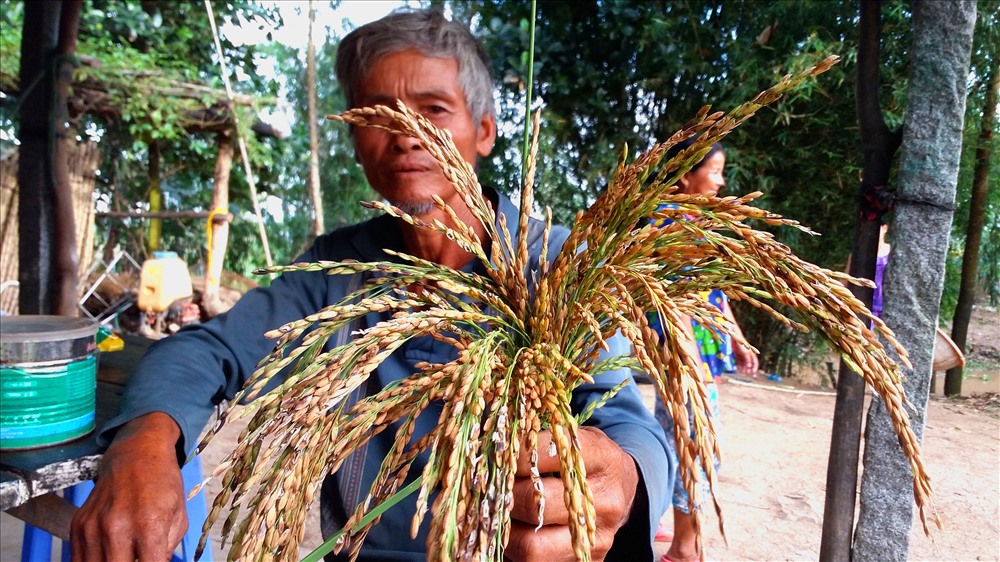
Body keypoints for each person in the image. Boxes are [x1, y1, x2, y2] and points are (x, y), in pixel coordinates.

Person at [70, 9, 671, 562]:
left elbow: (628, 425)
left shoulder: (558, 264)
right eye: (378, 114)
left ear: (484, 130)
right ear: (355, 140)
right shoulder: (335, 272)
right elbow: (210, 348)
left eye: (434, 109)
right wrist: (146, 437)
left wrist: (622, 475)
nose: (408, 134)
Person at [646, 138, 758, 562]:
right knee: (694, 440)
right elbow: (668, 296)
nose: (721, 181)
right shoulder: (665, 222)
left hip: (696, 351)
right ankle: (685, 547)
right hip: (681, 351)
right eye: (714, 171)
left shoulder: (697, 219)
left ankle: (661, 523)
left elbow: (714, 291)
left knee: (676, 435)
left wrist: (735, 336)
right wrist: (689, 357)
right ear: (685, 175)